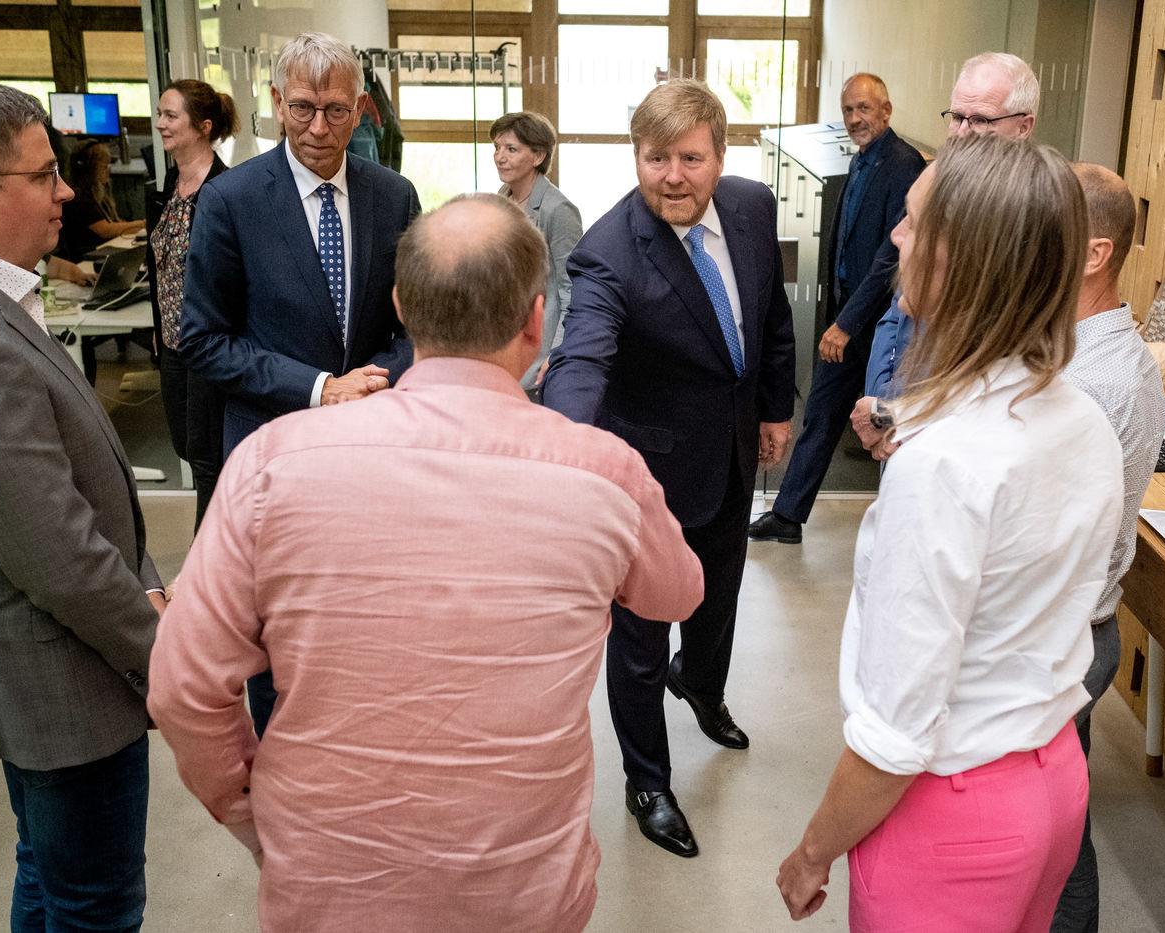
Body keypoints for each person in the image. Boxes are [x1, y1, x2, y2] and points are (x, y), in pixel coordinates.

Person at [148, 193, 703, 932]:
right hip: (524, 889)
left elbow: (183, 686)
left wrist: (253, 813)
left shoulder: (272, 463)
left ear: (401, 308)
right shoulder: (605, 473)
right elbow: (677, 595)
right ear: (536, 320)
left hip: (327, 882)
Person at [776, 134, 1124, 930]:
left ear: (962, 261)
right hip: (1053, 778)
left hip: (954, 817)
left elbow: (896, 735)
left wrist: (812, 852)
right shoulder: (1080, 415)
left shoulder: (941, 468)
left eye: (911, 221)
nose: (896, 237)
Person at [543, 79, 796, 858]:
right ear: (636, 157)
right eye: (656, 158)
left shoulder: (752, 207)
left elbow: (770, 317)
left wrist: (774, 406)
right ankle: (647, 781)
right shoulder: (609, 252)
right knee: (641, 642)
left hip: (732, 455)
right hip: (650, 481)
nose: (673, 176)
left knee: (718, 603)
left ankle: (705, 687)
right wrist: (559, 445)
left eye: (690, 158)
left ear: (720, 155)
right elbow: (582, 356)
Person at [0, 83, 164, 932]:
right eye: (43, 175)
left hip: (61, 664)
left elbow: (87, 485)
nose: (67, 191)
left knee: (47, 875)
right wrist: (164, 652)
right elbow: (58, 556)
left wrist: (147, 579)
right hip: (64, 685)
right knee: (96, 906)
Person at [178, 31, 421, 735]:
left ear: (362, 109)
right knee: (278, 638)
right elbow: (203, 339)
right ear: (277, 101)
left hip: (371, 453)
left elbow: (419, 325)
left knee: (363, 625)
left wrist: (376, 382)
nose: (319, 128)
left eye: (337, 110)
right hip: (271, 454)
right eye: (303, 108)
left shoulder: (394, 196)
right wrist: (321, 387)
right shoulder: (231, 200)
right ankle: (283, 763)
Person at [1048, 163, 1165, 933]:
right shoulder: (1077, 350)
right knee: (1061, 821)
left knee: (1056, 843)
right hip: (1070, 631)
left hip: (1064, 640)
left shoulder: (1097, 382)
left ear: (1094, 254)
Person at [747, 74, 924, 544]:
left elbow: (891, 255)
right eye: (848, 110)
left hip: (880, 323)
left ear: (886, 110)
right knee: (821, 413)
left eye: (864, 108)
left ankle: (897, 526)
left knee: (888, 425)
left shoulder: (903, 163)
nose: (855, 118)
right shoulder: (861, 159)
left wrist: (846, 323)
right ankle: (788, 515)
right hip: (848, 316)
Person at [863, 51, 1039, 401]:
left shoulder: (1029, 223)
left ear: (1024, 127)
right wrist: (881, 396)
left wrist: (894, 409)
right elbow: (897, 312)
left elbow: (974, 356)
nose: (961, 133)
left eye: (980, 121)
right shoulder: (933, 186)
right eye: (957, 117)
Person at [147, 79, 237, 532]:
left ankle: (208, 558)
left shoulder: (227, 190)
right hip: (171, 343)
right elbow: (159, 264)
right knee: (185, 446)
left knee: (205, 457)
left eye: (170, 116)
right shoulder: (168, 185)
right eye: (160, 114)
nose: (160, 124)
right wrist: (159, 326)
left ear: (203, 126)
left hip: (208, 343)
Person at [490, 110, 583, 392]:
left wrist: (557, 355)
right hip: (501, 347)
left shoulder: (559, 209)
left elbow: (572, 291)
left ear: (538, 156)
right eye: (497, 147)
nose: (499, 157)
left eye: (511, 149)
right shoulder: (499, 199)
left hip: (539, 356)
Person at [58, 140, 145, 261]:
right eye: (104, 167)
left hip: (102, 250)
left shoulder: (96, 192)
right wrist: (143, 223)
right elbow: (106, 230)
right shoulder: (79, 198)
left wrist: (141, 228)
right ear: (88, 169)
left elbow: (115, 223)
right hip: (87, 257)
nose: (109, 171)